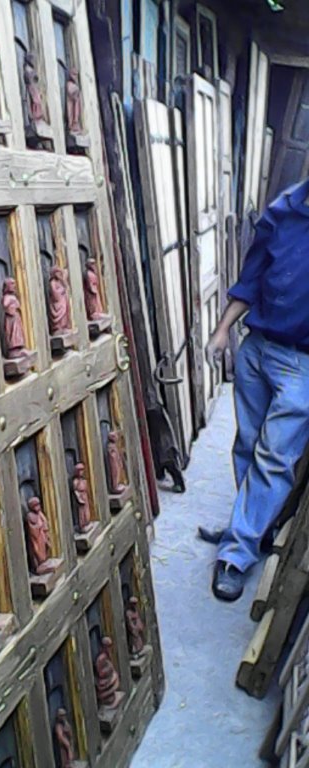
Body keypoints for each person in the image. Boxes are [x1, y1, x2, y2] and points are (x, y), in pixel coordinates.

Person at [205, 178, 309, 601]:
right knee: (247, 445)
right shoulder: (284, 211)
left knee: (273, 459)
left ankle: (236, 553)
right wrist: (222, 331)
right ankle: (249, 529)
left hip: (302, 366)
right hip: (256, 349)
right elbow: (252, 278)